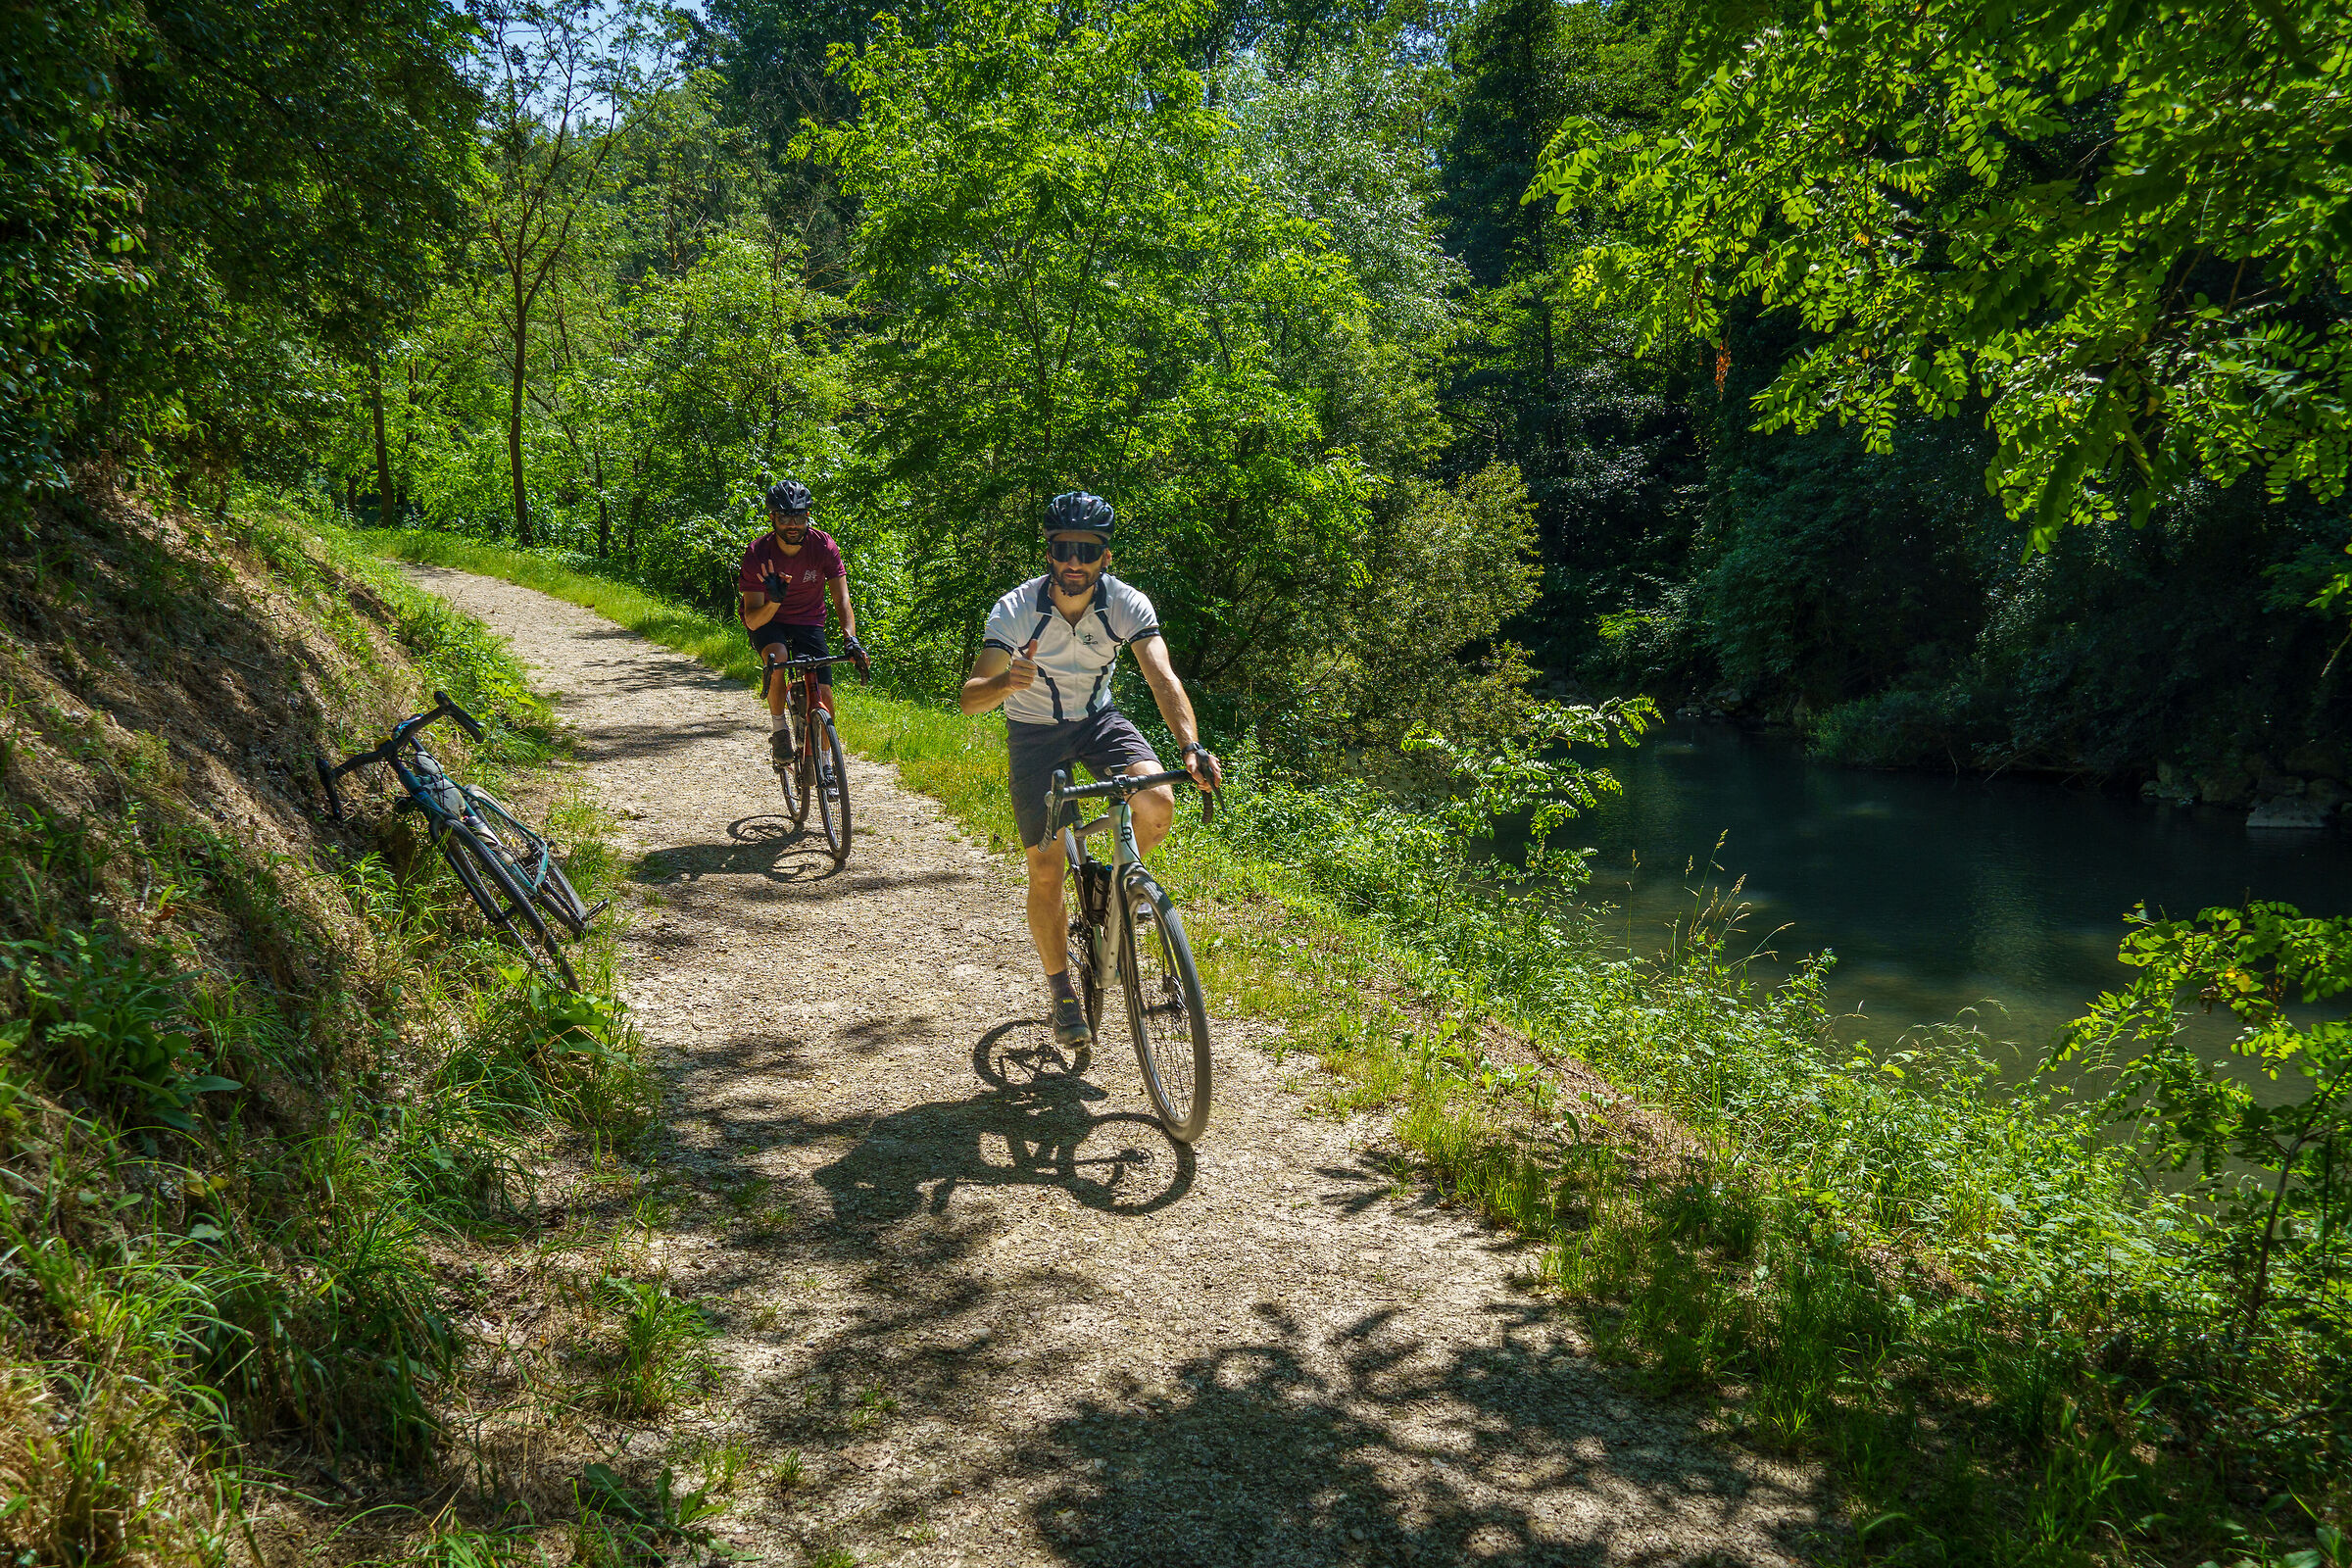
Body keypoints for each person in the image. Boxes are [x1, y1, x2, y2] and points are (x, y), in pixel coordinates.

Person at [958, 491, 1221, 1049]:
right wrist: (1006, 682)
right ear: (1048, 554)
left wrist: (1191, 747)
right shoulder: (1015, 609)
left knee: (1157, 800)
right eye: (1062, 549)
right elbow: (969, 698)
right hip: (1033, 732)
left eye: (1086, 550)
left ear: (1105, 557)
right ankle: (1060, 988)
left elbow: (1161, 677)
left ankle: (1112, 879)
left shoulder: (1127, 604)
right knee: (1047, 867)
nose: (1073, 561)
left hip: (1099, 720)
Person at [740, 479, 867, 787]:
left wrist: (850, 638)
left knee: (823, 694)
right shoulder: (758, 554)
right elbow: (754, 621)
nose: (793, 524)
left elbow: (841, 598)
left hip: (810, 621)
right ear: (772, 517)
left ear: (808, 516)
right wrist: (776, 600)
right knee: (778, 656)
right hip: (769, 622)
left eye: (799, 517)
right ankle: (780, 730)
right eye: (785, 518)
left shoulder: (822, 545)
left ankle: (825, 764)